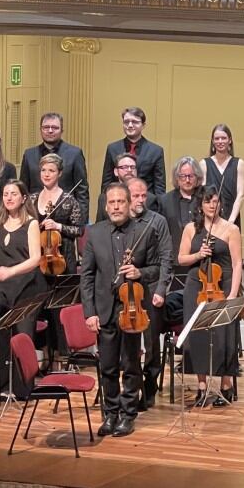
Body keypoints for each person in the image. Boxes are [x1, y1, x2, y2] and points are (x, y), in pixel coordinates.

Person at [81, 183, 149, 437]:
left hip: (133, 309)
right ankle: (110, 413)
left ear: (130, 203)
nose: (117, 206)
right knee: (107, 366)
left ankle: (128, 415)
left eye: (121, 201)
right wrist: (89, 312)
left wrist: (140, 272)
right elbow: (86, 276)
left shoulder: (141, 231)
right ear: (106, 205)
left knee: (131, 365)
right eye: (112, 202)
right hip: (105, 309)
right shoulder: (95, 233)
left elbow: (156, 267)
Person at [179, 187, 243, 407]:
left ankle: (226, 385)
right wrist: (199, 254)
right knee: (196, 336)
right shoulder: (190, 229)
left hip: (222, 284)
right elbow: (181, 258)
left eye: (215, 201)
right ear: (200, 205)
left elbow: (236, 264)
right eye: (207, 201)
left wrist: (233, 294)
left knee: (224, 336)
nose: (212, 205)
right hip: (196, 286)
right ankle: (202, 386)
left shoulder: (231, 229)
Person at [0, 180, 47, 402]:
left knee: (23, 336)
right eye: (5, 194)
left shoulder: (31, 223)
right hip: (1, 288)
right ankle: (2, 387)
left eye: (14, 193)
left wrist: (10, 272)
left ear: (23, 198)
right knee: (1, 337)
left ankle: (23, 389)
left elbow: (35, 259)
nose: (9, 197)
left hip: (27, 287)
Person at [124, 176, 172, 409]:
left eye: (144, 195)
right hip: (125, 291)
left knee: (152, 341)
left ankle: (150, 385)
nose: (141, 200)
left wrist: (162, 289)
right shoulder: (120, 221)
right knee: (128, 339)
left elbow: (166, 258)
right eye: (136, 196)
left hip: (151, 286)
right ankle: (131, 386)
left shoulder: (157, 221)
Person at [156, 156, 204, 331]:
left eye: (191, 176)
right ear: (177, 178)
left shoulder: (205, 198)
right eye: (183, 176)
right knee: (177, 306)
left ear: (197, 177)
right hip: (175, 262)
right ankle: (180, 344)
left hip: (200, 264)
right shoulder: (164, 200)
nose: (187, 180)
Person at [20, 111, 88, 211]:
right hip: (35, 214)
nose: (50, 131)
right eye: (46, 127)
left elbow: (82, 190)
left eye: (55, 128)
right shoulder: (29, 154)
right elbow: (23, 189)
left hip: (66, 215)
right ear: (40, 130)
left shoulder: (75, 154)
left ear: (62, 130)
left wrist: (83, 221)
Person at [30, 152, 85, 274]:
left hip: (63, 257)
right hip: (38, 257)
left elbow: (79, 230)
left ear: (59, 173)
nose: (46, 174)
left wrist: (58, 226)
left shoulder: (69, 200)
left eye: (51, 171)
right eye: (43, 170)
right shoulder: (32, 198)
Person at [102, 106, 165, 199]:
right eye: (126, 122)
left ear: (143, 125)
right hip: (118, 202)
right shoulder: (112, 148)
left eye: (135, 122)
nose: (130, 125)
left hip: (145, 204)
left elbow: (159, 187)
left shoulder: (156, 151)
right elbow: (107, 183)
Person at [204, 123, 244, 228]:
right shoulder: (204, 164)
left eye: (223, 138)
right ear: (213, 141)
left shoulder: (239, 163)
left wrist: (230, 221)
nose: (220, 141)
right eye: (217, 139)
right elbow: (202, 196)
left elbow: (240, 195)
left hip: (231, 219)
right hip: (210, 220)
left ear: (230, 140)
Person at [94, 153, 137, 223]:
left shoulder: (147, 198)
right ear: (116, 172)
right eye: (125, 167)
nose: (129, 170)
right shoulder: (104, 197)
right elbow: (99, 225)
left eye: (132, 167)